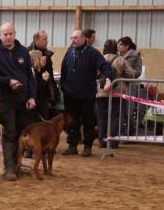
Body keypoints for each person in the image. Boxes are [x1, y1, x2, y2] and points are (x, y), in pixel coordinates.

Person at [0, 22, 37, 181]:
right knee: (9, 132)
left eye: (11, 34)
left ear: (15, 34)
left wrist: (32, 96)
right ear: (0, 35)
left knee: (21, 133)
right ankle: (9, 168)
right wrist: (8, 81)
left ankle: (16, 165)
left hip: (24, 100)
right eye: (5, 34)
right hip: (6, 99)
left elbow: (30, 76)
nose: (8, 37)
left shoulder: (23, 51)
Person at [60, 29, 113, 157]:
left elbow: (105, 66)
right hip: (70, 94)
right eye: (72, 38)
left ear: (84, 38)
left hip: (86, 95)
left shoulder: (93, 53)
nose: (73, 40)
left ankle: (87, 147)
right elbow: (64, 69)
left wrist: (109, 79)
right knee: (72, 121)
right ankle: (72, 146)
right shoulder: (69, 51)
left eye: (76, 38)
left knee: (88, 121)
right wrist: (63, 85)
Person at [95, 39, 136, 149]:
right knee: (115, 117)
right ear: (115, 48)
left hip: (101, 92)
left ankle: (102, 141)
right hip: (117, 92)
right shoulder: (121, 60)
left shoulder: (99, 58)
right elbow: (132, 74)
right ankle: (112, 142)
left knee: (102, 117)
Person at [27, 30, 60, 113]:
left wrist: (55, 94)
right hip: (32, 96)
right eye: (44, 39)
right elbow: (27, 76)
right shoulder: (26, 54)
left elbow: (50, 75)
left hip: (44, 95)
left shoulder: (47, 54)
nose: (47, 41)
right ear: (36, 41)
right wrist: (38, 67)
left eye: (47, 39)